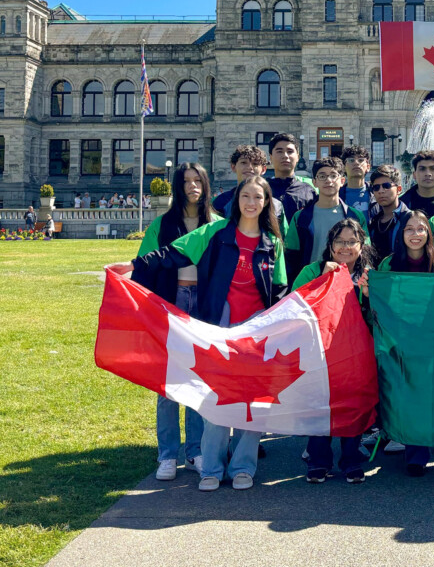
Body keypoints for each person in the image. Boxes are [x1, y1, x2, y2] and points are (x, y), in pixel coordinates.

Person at [131, 175, 288, 492]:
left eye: (258, 197)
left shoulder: (272, 243)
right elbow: (174, 253)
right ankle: (212, 469)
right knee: (215, 398)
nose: (251, 203)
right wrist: (133, 266)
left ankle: (243, 467)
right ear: (236, 201)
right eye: (245, 196)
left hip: (255, 333)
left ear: (266, 203)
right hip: (217, 328)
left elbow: (280, 290)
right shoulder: (216, 232)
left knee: (251, 402)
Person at [133, 163, 219, 481]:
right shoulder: (162, 224)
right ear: (177, 186)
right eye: (185, 181)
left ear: (206, 185)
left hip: (205, 305)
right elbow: (144, 266)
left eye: (198, 180)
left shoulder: (217, 225)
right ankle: (168, 454)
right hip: (172, 302)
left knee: (199, 377)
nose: (192, 186)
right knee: (168, 382)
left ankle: (195, 451)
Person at [292, 218, 377, 484]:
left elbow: (378, 319)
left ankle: (351, 461)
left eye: (352, 241)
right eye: (340, 241)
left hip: (356, 354)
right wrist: (321, 280)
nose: (345, 247)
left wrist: (368, 296)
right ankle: (319, 461)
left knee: (353, 406)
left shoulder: (369, 276)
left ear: (361, 246)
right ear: (330, 245)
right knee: (321, 406)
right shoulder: (312, 270)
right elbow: (293, 307)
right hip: (320, 352)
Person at [376, 210, 434, 475]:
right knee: (402, 395)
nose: (415, 234)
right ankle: (400, 436)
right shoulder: (388, 264)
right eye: (409, 229)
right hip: (398, 341)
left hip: (429, 342)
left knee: (424, 397)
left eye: (420, 229)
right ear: (400, 233)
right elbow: (382, 304)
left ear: (428, 233)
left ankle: (418, 455)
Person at [285, 157, 368, 280]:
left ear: (342, 180)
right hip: (311, 282)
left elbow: (365, 251)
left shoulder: (355, 216)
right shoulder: (301, 217)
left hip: (348, 282)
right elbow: (291, 256)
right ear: (314, 182)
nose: (328, 180)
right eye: (322, 176)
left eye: (333, 176)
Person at [213, 146, 284, 222]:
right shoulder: (221, 201)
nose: (249, 167)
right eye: (244, 162)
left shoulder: (275, 205)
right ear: (233, 167)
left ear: (263, 169)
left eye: (255, 163)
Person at [367, 164, 411, 263]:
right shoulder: (373, 222)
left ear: (399, 189)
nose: (381, 191)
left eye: (386, 186)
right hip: (376, 272)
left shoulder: (410, 219)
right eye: (376, 187)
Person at [267, 133, 317, 216]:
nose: (285, 156)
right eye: (279, 151)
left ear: (298, 157)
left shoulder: (308, 191)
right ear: (271, 157)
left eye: (290, 151)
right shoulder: (262, 189)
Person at [400, 150, 434, 216]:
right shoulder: (401, 204)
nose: (427, 173)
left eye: (433, 168)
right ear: (414, 174)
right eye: (422, 169)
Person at [339, 145, 373, 217]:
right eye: (351, 160)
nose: (356, 163)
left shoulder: (376, 193)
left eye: (361, 160)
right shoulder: (336, 195)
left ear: (368, 167)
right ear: (344, 167)